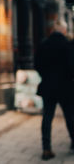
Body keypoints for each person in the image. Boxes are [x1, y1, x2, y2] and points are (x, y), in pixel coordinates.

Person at [35, 19, 74, 160]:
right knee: (70, 116)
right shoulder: (68, 45)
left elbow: (37, 64)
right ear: (63, 30)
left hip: (48, 87)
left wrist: (46, 76)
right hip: (66, 87)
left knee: (47, 117)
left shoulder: (43, 44)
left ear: (53, 29)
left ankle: (46, 148)